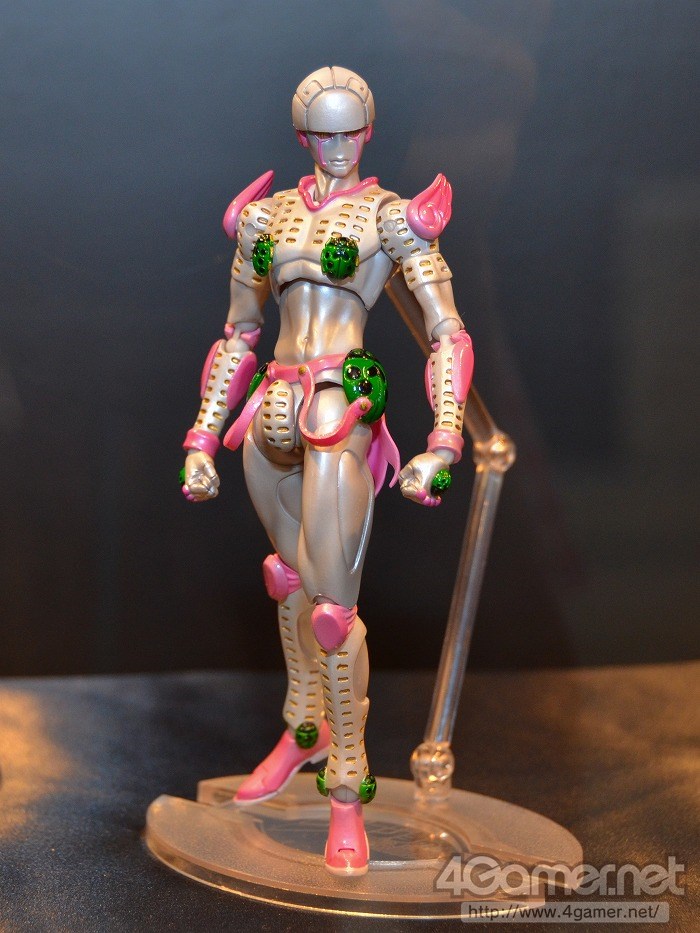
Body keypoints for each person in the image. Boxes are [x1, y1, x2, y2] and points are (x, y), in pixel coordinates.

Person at [181, 66, 473, 876]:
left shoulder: (392, 218)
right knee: (288, 582)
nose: (337, 147)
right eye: (323, 134)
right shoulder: (264, 218)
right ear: (303, 136)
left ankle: (346, 792)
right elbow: (239, 333)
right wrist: (203, 437)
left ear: (367, 132)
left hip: (339, 409)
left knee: (334, 612)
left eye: (349, 132)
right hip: (270, 410)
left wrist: (444, 441)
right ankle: (301, 731)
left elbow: (447, 332)